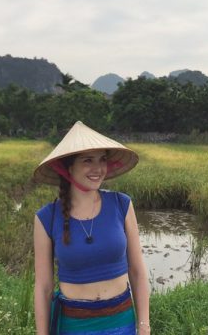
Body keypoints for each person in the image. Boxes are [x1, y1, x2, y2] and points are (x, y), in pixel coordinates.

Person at [33, 121, 150, 335]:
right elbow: (43, 287)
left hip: (121, 322)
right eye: (87, 160)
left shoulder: (121, 204)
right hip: (74, 326)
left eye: (102, 159)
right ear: (68, 168)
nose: (98, 168)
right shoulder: (46, 218)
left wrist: (144, 326)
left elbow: (137, 271)